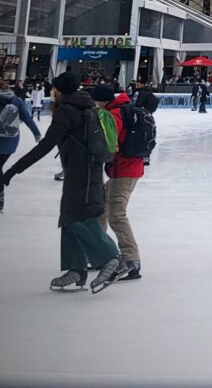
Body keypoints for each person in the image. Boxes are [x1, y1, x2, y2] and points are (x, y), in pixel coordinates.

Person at [1, 72, 127, 292]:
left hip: (81, 173)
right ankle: (76, 269)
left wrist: (13, 170)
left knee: (80, 218)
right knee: (70, 216)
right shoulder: (86, 107)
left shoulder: (67, 111)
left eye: (54, 89)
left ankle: (111, 257)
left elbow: (46, 145)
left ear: (59, 90)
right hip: (86, 171)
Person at [90, 85, 145, 281]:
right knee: (102, 207)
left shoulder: (114, 114)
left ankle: (131, 261)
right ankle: (102, 253)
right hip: (122, 169)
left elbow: (109, 143)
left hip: (125, 170)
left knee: (116, 214)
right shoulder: (120, 109)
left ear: (101, 101)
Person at [0, 78, 41, 213]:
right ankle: (0, 197)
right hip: (11, 141)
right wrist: (36, 133)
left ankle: (0, 196)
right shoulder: (16, 100)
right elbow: (27, 118)